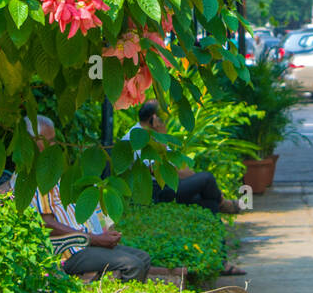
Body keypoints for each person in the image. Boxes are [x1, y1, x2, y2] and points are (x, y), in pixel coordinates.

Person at [27, 115, 152, 281]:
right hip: (69, 251)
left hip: (87, 244)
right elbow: (46, 223)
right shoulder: (34, 177)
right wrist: (95, 239)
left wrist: (105, 230)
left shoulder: (55, 171)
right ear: (30, 142)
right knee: (132, 265)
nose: (54, 145)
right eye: (47, 140)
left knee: (143, 258)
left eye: (54, 139)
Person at [125, 102, 244, 215]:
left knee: (209, 202)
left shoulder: (152, 134)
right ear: (155, 119)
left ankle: (219, 231)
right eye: (165, 118)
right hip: (155, 191)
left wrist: (196, 181)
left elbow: (179, 166)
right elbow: (159, 169)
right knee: (207, 178)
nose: (167, 122)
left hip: (166, 187)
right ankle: (223, 203)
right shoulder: (136, 137)